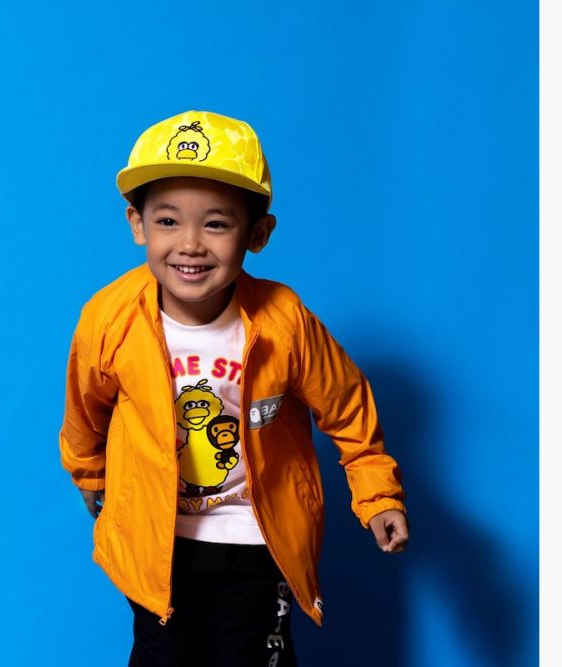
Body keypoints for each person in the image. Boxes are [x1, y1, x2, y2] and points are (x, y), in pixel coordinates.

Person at [60, 110, 408, 666]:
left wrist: (377, 494)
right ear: (137, 225)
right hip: (157, 541)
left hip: (254, 541)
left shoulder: (284, 322)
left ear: (257, 234)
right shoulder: (110, 318)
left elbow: (347, 408)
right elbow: (86, 409)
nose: (190, 244)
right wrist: (89, 474)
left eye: (216, 225)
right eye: (168, 221)